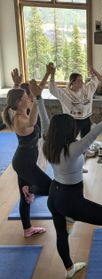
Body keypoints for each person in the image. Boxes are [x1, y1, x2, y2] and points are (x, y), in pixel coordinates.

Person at [31, 80, 102, 278]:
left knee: (62, 234)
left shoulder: (48, 143)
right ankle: (72, 215)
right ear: (70, 131)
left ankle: (69, 269)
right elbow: (94, 133)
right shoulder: (73, 149)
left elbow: (45, 121)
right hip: (70, 199)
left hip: (54, 195)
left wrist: (39, 98)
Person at [2, 87, 51, 237]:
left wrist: (36, 92)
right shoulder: (20, 119)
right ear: (19, 102)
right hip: (24, 163)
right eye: (26, 97)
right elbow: (32, 121)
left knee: (24, 198)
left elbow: (31, 113)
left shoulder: (20, 113)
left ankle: (27, 229)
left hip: (23, 161)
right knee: (49, 188)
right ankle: (30, 190)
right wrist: (37, 99)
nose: (28, 99)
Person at [48, 63, 99, 138]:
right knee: (70, 140)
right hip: (73, 121)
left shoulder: (86, 89)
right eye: (79, 81)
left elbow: (94, 82)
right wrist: (52, 75)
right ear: (72, 82)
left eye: (82, 80)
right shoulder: (65, 93)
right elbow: (53, 89)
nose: (82, 83)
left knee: (86, 139)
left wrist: (92, 73)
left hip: (86, 119)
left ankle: (84, 150)